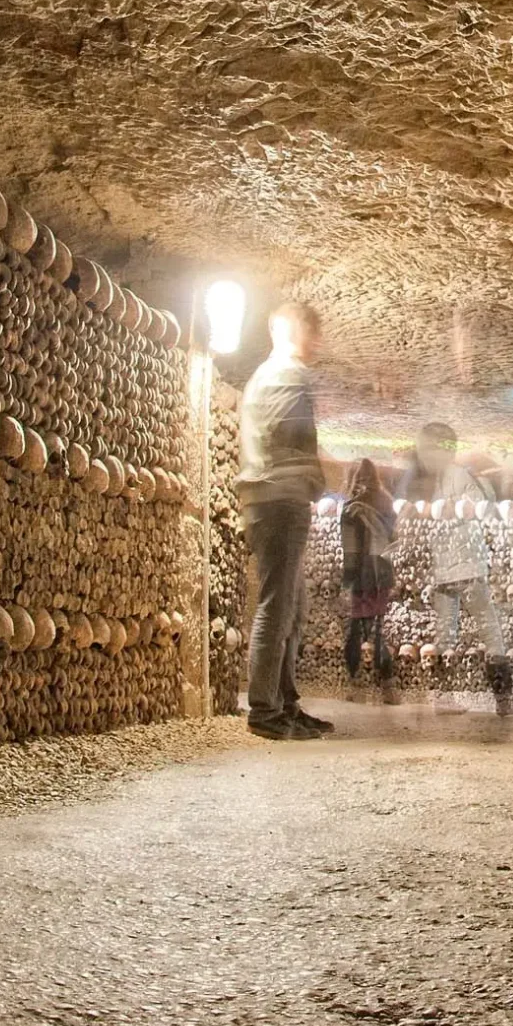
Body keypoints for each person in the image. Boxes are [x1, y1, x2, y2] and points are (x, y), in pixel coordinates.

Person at [238, 302, 331, 741]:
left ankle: (285, 703)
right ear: (294, 330)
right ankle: (265, 710)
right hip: (279, 500)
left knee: (292, 607)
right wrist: (318, 477)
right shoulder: (288, 375)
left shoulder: (265, 376)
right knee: (277, 608)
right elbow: (296, 438)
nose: (318, 342)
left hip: (271, 500)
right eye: (314, 332)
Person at [397, 420, 513, 717]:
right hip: (467, 568)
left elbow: (415, 522)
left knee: (445, 636)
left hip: (441, 571)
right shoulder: (458, 475)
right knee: (492, 633)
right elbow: (481, 510)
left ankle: (442, 698)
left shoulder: (421, 483)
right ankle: (504, 701)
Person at [338, 458, 398, 702]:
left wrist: (347, 580)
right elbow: (394, 540)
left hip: (362, 576)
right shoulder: (387, 503)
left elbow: (349, 549)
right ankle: (388, 687)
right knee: (378, 630)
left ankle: (355, 684)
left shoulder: (351, 508)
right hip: (381, 574)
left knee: (356, 630)